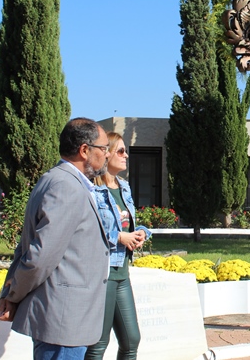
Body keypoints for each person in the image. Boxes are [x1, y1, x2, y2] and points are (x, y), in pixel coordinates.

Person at [0, 117, 112, 360]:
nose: (107, 155)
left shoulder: (58, 180)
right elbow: (40, 255)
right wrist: (13, 294)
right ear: (84, 150)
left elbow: (26, 246)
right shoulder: (66, 186)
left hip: (66, 319)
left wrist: (10, 291)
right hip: (62, 321)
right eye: (103, 149)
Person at [85, 132, 151, 360]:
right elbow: (88, 229)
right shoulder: (92, 190)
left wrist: (141, 232)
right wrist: (119, 238)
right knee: (97, 344)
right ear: (107, 153)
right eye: (121, 151)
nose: (126, 156)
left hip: (122, 272)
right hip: (102, 274)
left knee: (131, 340)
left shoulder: (124, 187)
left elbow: (126, 221)